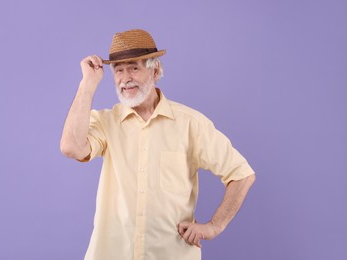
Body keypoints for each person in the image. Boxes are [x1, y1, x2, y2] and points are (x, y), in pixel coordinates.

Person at [60, 29, 256, 260]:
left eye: (134, 67)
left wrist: (214, 226)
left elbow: (242, 174)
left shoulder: (190, 123)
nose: (125, 78)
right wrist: (87, 85)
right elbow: (71, 147)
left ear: (155, 70)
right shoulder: (106, 122)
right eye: (119, 70)